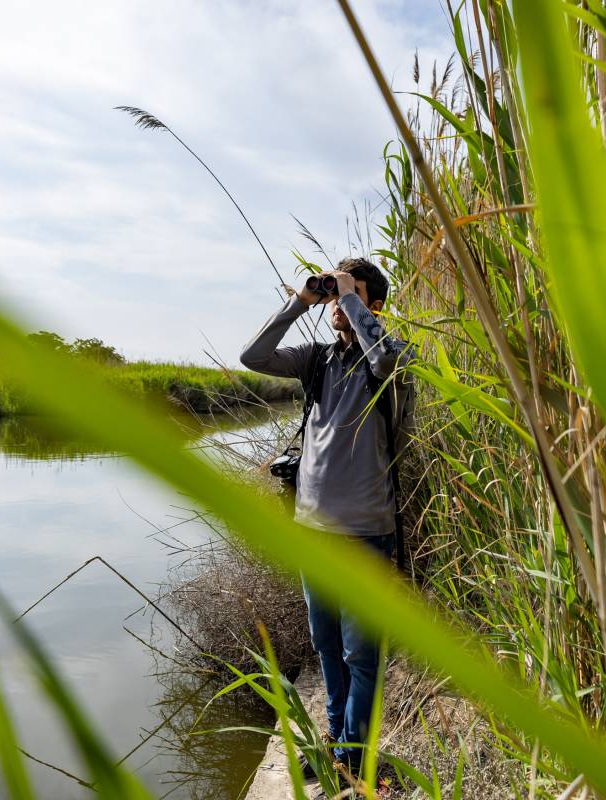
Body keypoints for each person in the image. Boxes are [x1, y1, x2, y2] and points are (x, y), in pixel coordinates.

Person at [239, 257, 413, 778]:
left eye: (349, 290)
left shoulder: (391, 359)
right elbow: (253, 356)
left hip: (366, 535)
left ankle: (355, 760)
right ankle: (337, 743)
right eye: (336, 291)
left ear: (373, 303)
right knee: (326, 648)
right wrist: (301, 301)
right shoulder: (317, 361)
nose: (337, 298)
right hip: (312, 534)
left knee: (363, 655)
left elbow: (385, 360)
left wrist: (353, 301)